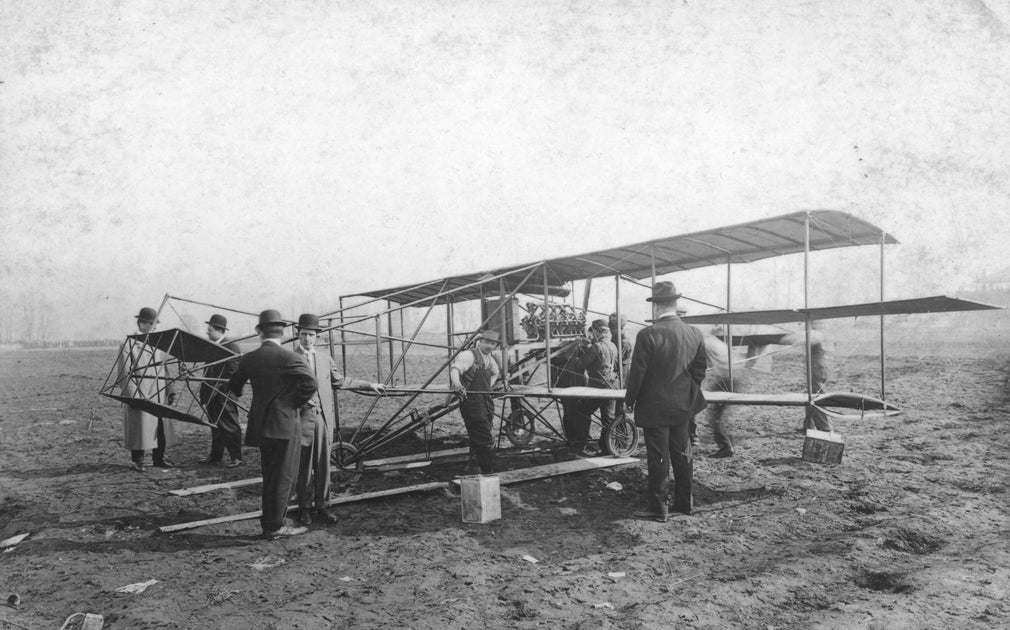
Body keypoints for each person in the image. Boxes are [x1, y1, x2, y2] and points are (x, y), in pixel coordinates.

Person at [229, 309, 317, 539]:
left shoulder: (249, 358)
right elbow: (310, 383)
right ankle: (275, 527)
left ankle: (270, 522)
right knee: (284, 476)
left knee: (269, 475)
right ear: (283, 331)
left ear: (260, 331)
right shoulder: (289, 357)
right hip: (286, 426)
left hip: (261, 427)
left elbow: (235, 386)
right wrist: (292, 404)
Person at [624, 282, 707, 521]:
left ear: (657, 306)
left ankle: (659, 508)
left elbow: (637, 374)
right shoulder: (694, 333)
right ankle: (685, 503)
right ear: (675, 304)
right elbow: (700, 370)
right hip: (684, 407)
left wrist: (630, 401)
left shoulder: (648, 334)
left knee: (659, 457)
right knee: (683, 453)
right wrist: (686, 391)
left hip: (655, 407)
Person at [292, 313, 385, 526]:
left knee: (323, 463)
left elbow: (340, 381)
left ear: (317, 337)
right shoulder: (291, 359)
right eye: (304, 334)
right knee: (304, 466)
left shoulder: (325, 358)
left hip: (324, 419)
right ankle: (304, 508)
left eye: (312, 335)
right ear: (298, 335)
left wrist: (368, 384)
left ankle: (323, 506)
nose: (307, 339)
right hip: (301, 419)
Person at [115, 306, 180, 472]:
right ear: (142, 323)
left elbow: (165, 367)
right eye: (152, 324)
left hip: (159, 393)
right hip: (141, 393)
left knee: (160, 427)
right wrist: (133, 397)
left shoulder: (157, 342)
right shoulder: (129, 343)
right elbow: (124, 373)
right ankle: (138, 460)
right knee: (139, 428)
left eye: (155, 324)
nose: (155, 328)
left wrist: (170, 389)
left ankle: (159, 458)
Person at [449, 330, 502, 475]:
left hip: (486, 401)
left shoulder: (489, 359)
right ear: (480, 341)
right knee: (485, 438)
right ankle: (487, 472)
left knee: (477, 436)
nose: (490, 346)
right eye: (487, 342)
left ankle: (474, 466)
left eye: (493, 344)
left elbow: (496, 372)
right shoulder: (468, 355)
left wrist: (488, 386)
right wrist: (458, 385)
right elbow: (454, 370)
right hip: (472, 403)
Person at [565, 319, 618, 454]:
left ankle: (580, 444)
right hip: (612, 386)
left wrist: (572, 356)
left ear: (596, 331)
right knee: (608, 419)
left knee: (583, 412)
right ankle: (607, 448)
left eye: (593, 331)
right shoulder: (612, 345)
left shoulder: (598, 346)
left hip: (599, 388)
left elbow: (580, 365)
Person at [199, 314, 244, 467]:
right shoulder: (212, 346)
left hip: (224, 394)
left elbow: (233, 372)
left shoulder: (231, 346)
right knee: (215, 426)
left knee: (230, 425)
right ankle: (215, 456)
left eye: (210, 330)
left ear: (219, 330)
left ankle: (236, 457)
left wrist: (220, 391)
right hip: (211, 393)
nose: (207, 333)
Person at [697, 325, 747, 458]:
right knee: (718, 415)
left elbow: (702, 365)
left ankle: (726, 447)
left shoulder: (705, 343)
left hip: (727, 379)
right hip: (732, 376)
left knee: (715, 417)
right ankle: (729, 444)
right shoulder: (716, 342)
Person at [782, 321, 833, 431]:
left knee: (817, 397)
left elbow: (794, 340)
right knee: (812, 395)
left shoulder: (817, 333)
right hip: (822, 366)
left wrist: (793, 340)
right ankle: (809, 426)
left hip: (817, 367)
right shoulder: (824, 333)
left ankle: (825, 428)